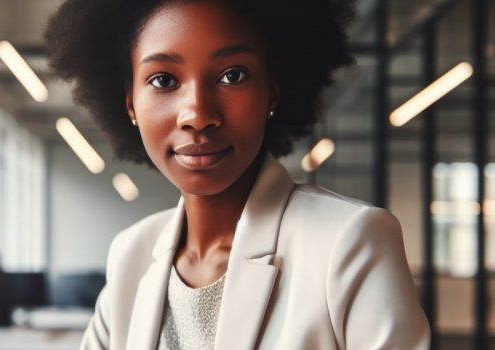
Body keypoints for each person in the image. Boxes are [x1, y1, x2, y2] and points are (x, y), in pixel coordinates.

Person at [44, 0, 430, 349]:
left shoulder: (348, 241)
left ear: (272, 94)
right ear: (130, 104)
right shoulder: (131, 252)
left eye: (232, 75)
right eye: (163, 80)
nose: (196, 114)